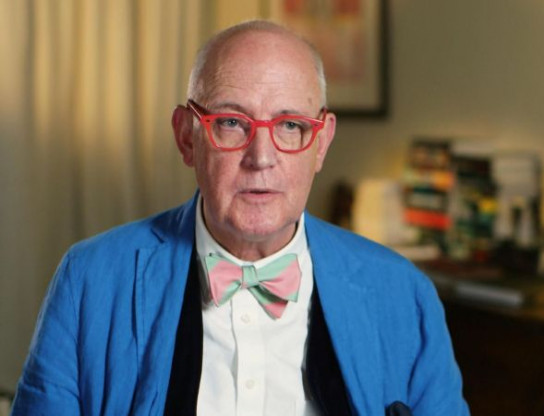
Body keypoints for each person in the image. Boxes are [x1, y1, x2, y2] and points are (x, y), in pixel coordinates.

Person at [11, 20, 468, 416]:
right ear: (187, 137)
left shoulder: (404, 295)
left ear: (321, 143)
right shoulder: (88, 281)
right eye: (231, 122)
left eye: (290, 125)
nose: (261, 157)